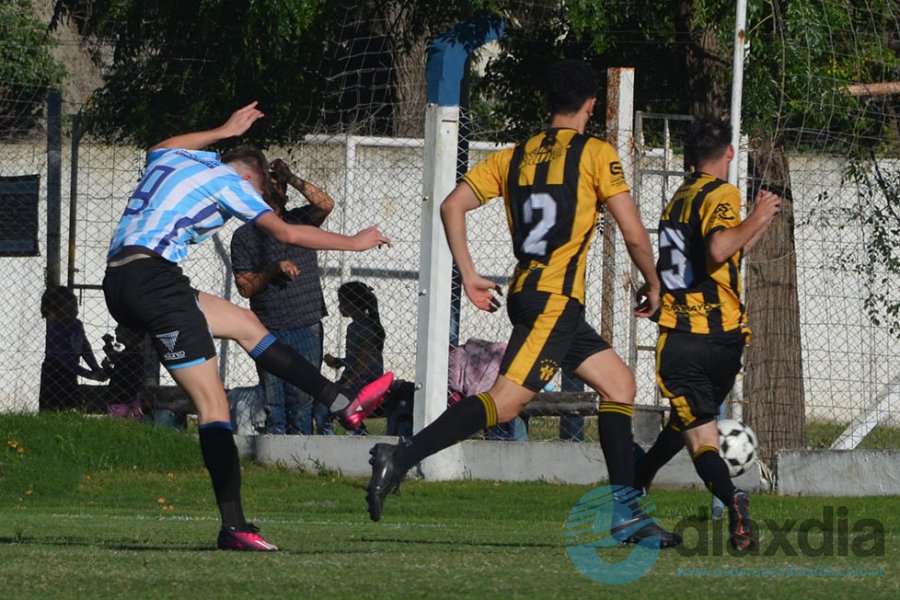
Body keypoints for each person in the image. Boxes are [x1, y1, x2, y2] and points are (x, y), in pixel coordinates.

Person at [366, 59, 679, 548]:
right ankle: (401, 457)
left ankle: (627, 513)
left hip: (537, 296)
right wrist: (654, 283)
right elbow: (635, 233)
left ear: (548, 104)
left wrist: (468, 273)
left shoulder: (515, 156)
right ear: (591, 106)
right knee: (507, 403)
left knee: (619, 383)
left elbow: (452, 205)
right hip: (553, 302)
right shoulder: (596, 153)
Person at [102, 102, 394, 552]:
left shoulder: (176, 159)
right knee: (213, 404)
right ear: (247, 181)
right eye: (255, 198)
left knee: (244, 322)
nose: (251, 207)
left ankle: (340, 402)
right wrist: (354, 243)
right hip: (153, 283)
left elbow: (159, 144)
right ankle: (234, 525)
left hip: (124, 279)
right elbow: (288, 234)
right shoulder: (229, 183)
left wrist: (222, 128)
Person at [632, 116, 781, 553]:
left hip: (684, 338)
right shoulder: (723, 193)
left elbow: (721, 252)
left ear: (689, 154)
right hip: (726, 340)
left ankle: (733, 498)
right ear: (730, 153)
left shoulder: (680, 197)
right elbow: (720, 248)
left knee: (700, 435)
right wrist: (755, 215)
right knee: (693, 420)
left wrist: (758, 220)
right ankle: (641, 476)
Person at [230, 158, 334, 435]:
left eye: (280, 185)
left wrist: (294, 178)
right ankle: (275, 451)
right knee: (274, 397)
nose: (278, 189)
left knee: (303, 395)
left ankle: (301, 448)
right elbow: (245, 287)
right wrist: (273, 270)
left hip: (306, 322)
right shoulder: (245, 236)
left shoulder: (300, 221)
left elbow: (326, 205)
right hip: (268, 327)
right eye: (271, 183)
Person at [324, 281, 385, 434]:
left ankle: (357, 434)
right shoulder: (356, 326)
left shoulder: (364, 327)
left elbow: (364, 358)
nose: (339, 307)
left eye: (342, 303)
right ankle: (355, 433)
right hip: (356, 377)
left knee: (328, 405)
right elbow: (357, 357)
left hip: (364, 380)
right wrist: (339, 362)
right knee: (326, 404)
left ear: (352, 304)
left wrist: (349, 382)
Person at [39, 285, 108, 411]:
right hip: (54, 372)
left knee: (72, 404)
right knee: (52, 406)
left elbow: (85, 348)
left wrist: (95, 367)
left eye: (75, 308)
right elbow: (64, 360)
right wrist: (90, 375)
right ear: (57, 311)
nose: (74, 312)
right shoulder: (55, 330)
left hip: (71, 372)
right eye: (69, 309)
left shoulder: (77, 325)